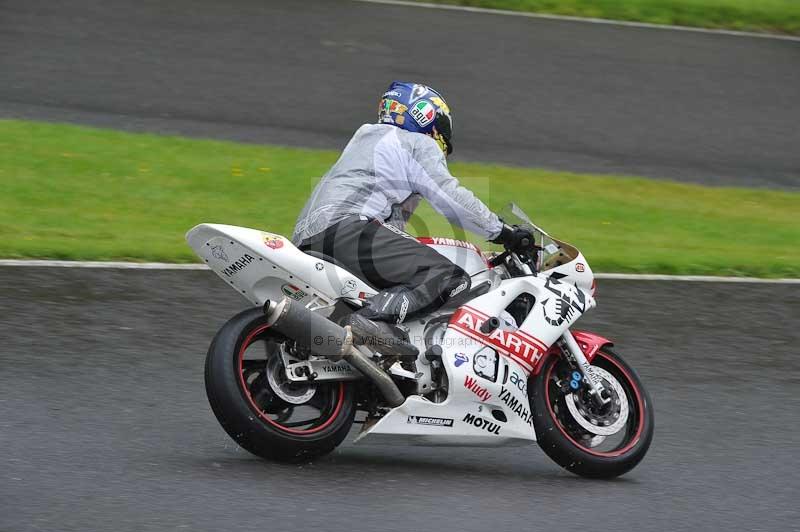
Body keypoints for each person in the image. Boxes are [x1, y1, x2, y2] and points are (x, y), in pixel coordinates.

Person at [292, 81, 532, 333]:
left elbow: (393, 224)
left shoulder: (368, 138)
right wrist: (502, 232)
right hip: (347, 227)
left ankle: (365, 344)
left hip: (311, 234)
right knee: (447, 276)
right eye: (440, 128)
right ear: (423, 115)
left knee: (407, 278)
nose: (441, 137)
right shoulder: (415, 143)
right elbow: (450, 197)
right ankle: (367, 324)